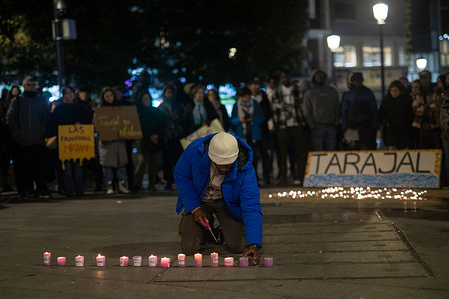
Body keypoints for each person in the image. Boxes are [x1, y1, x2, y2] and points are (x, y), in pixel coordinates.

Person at [174, 132, 262, 264]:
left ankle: (222, 231)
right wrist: (194, 208)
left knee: (237, 246)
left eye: (229, 164)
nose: (225, 168)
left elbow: (251, 205)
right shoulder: (195, 151)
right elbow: (181, 175)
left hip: (227, 203)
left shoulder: (245, 167)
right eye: (220, 164)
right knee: (189, 247)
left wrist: (253, 244)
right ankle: (203, 232)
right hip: (199, 200)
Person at [6, 77, 50, 199]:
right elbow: (10, 118)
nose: (31, 87)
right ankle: (25, 190)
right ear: (24, 86)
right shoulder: (17, 101)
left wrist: (41, 133)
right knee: (22, 168)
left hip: (38, 141)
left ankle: (41, 189)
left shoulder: (41, 101)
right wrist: (17, 133)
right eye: (28, 84)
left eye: (33, 84)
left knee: (39, 168)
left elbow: (45, 118)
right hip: (21, 142)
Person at [49, 85, 91, 198]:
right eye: (67, 93)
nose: (69, 95)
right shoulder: (59, 108)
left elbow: (88, 120)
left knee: (78, 167)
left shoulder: (81, 107)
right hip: (65, 143)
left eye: (71, 92)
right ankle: (68, 191)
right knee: (66, 168)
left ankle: (79, 190)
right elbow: (53, 125)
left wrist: (80, 124)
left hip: (78, 143)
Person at [271, 70, 308, 186]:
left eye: (287, 78)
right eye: (283, 78)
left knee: (299, 152)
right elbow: (274, 110)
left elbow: (303, 106)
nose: (285, 80)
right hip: (282, 126)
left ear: (290, 78)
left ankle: (301, 176)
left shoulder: (298, 90)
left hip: (296, 124)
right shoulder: (277, 92)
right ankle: (283, 178)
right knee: (282, 153)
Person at [131, 85, 167, 193]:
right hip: (143, 140)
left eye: (148, 99)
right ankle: (137, 184)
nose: (146, 101)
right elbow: (139, 126)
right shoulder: (139, 113)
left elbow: (162, 124)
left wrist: (157, 135)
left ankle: (152, 184)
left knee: (153, 163)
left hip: (154, 140)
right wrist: (149, 136)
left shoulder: (155, 112)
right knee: (142, 162)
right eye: (144, 99)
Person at [97, 87, 131, 195]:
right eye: (106, 96)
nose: (109, 98)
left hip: (119, 142)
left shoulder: (120, 109)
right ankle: (109, 185)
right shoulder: (100, 110)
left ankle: (122, 185)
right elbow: (97, 125)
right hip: (106, 143)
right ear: (103, 97)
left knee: (121, 165)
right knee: (107, 166)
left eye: (111, 95)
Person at [230, 86, 264, 182]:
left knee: (254, 157)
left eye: (246, 96)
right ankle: (243, 179)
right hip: (241, 135)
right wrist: (239, 120)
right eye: (242, 97)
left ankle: (255, 177)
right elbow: (232, 121)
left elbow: (262, 118)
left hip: (253, 134)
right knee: (242, 158)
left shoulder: (255, 104)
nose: (245, 99)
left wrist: (253, 119)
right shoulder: (236, 105)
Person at [303, 69, 340, 151]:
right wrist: (311, 125)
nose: (320, 78)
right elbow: (307, 111)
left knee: (331, 151)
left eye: (321, 76)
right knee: (318, 152)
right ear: (313, 78)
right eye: (317, 76)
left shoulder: (332, 91)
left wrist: (336, 122)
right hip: (317, 127)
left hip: (331, 126)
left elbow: (337, 107)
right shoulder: (309, 93)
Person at [341, 71, 379, 150]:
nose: (357, 82)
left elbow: (344, 112)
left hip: (356, 126)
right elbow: (374, 110)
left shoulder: (348, 95)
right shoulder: (368, 93)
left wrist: (344, 126)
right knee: (367, 147)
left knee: (353, 147)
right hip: (363, 126)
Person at [158, 84, 184, 190]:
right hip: (167, 137)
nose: (170, 94)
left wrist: (176, 118)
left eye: (171, 92)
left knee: (178, 159)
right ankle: (168, 180)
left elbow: (183, 118)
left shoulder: (178, 105)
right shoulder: (162, 107)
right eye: (168, 92)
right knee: (167, 160)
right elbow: (160, 122)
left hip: (177, 135)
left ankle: (178, 179)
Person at [247, 78, 272, 185]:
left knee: (265, 153)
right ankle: (255, 177)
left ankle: (267, 176)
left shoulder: (263, 97)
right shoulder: (247, 99)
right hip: (251, 130)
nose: (256, 87)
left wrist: (260, 120)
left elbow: (268, 112)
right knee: (253, 155)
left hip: (262, 129)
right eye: (254, 84)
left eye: (257, 84)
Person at [378, 80, 414, 149]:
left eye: (396, 90)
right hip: (391, 132)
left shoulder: (406, 101)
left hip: (404, 132)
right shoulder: (387, 101)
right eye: (392, 90)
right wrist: (386, 123)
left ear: (400, 91)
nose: (393, 93)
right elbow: (381, 114)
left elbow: (409, 115)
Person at [1, 85, 20, 192]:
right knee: (5, 163)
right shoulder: (8, 104)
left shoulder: (20, 103)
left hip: (13, 137)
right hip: (8, 138)